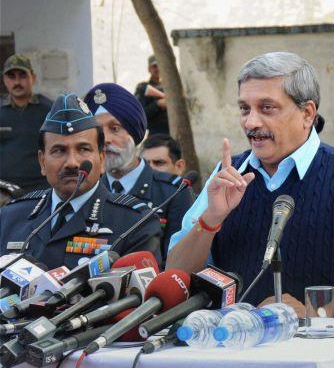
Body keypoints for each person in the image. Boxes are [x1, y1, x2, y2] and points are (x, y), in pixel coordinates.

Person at [167, 51, 334, 317]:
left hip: (326, 351)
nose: (251, 122)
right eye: (244, 109)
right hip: (234, 347)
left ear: (307, 114)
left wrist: (315, 313)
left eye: (267, 108)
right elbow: (175, 276)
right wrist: (210, 220)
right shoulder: (228, 174)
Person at [0, 93, 162, 269]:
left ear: (101, 159)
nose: (72, 162)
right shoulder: (11, 216)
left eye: (83, 149)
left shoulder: (135, 223)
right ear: (42, 162)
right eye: (59, 150)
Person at [82, 83, 193, 265]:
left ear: (134, 134)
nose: (106, 139)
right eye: (98, 131)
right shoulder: (86, 190)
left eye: (115, 128)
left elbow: (178, 262)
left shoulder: (173, 192)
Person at [0, 54, 52, 192]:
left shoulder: (48, 110)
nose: (17, 82)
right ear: (4, 80)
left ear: (33, 78)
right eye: (11, 76)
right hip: (5, 190)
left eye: (22, 75)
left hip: (41, 188)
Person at [134, 55, 169, 135]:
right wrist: (158, 104)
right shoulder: (143, 88)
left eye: (160, 65)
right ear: (149, 69)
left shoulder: (172, 87)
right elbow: (138, 115)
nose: (158, 69)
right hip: (156, 134)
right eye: (155, 66)